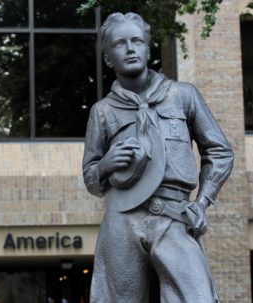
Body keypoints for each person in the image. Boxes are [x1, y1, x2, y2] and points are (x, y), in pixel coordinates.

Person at [82, 12, 234, 303]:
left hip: (173, 214)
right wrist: (105, 165)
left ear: (147, 49)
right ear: (108, 58)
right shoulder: (102, 111)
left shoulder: (183, 95)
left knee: (196, 297)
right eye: (120, 43)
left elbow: (220, 151)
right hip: (122, 219)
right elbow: (90, 178)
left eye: (137, 41)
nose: (130, 48)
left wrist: (202, 203)